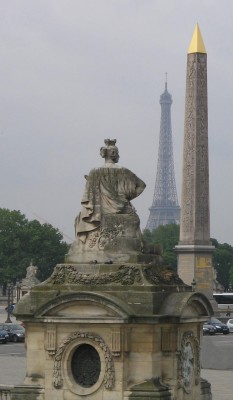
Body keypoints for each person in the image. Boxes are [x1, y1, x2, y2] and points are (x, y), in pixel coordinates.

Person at [71, 139, 146, 258]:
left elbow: (88, 197)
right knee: (135, 218)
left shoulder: (94, 172)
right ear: (114, 154)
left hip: (99, 211)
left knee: (78, 218)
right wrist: (127, 198)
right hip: (122, 208)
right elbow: (142, 185)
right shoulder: (123, 171)